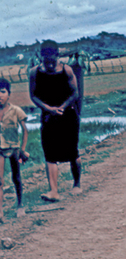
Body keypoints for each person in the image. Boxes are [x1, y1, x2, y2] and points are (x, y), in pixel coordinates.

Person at [29, 40, 82, 202]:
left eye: (53, 61)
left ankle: (77, 184)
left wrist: (62, 107)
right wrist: (48, 108)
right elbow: (33, 96)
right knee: (50, 154)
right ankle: (54, 191)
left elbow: (75, 93)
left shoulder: (67, 70)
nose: (50, 65)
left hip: (68, 115)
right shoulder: (34, 72)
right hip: (48, 116)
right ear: (41, 58)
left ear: (57, 56)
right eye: (46, 62)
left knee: (72, 152)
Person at [0, 78, 29, 222]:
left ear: (9, 94)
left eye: (3, 92)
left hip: (14, 148)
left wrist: (23, 150)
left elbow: (24, 130)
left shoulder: (16, 110)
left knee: (16, 178)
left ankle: (20, 205)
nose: (0, 96)